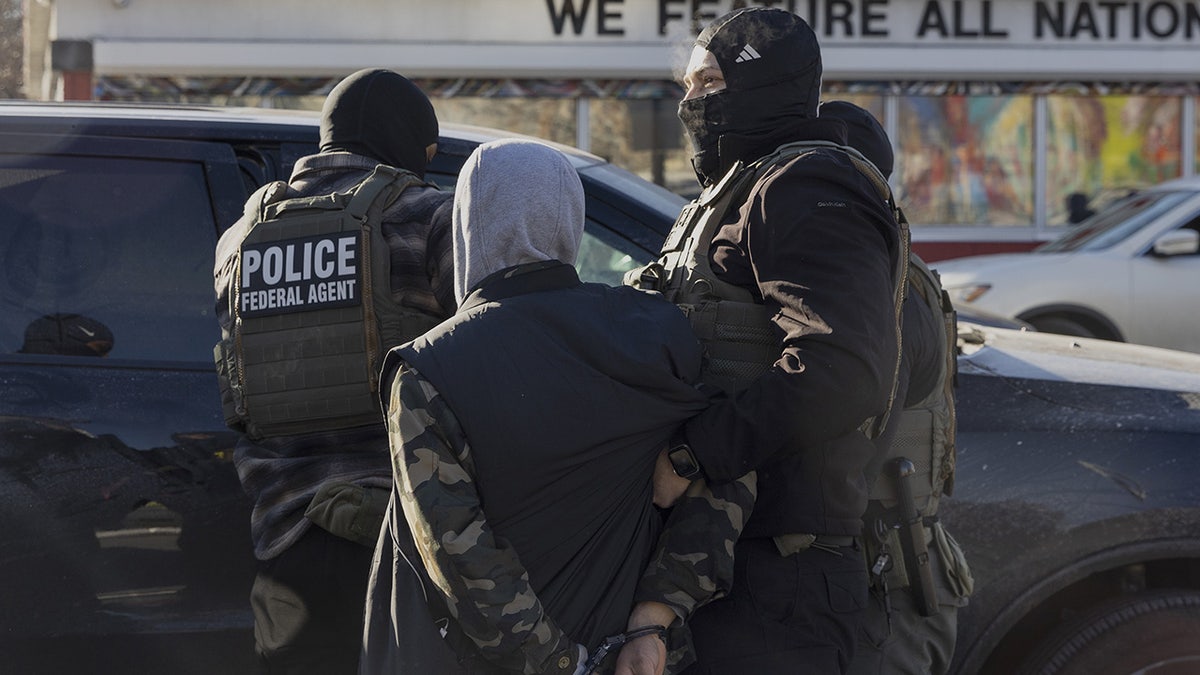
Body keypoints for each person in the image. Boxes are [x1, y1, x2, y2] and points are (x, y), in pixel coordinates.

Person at [360, 138, 756, 675]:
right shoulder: (658, 331)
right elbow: (728, 464)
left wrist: (564, 662)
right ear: (570, 217)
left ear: (469, 227)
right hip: (637, 658)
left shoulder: (428, 369)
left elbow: (457, 553)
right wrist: (655, 618)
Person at [624, 8, 905, 673]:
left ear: (764, 85)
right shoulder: (743, 188)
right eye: (688, 85)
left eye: (710, 82)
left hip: (780, 577)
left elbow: (842, 366)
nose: (691, 102)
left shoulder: (803, 184)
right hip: (719, 565)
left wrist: (692, 454)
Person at [212, 68, 454, 675]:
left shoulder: (240, 238)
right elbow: (481, 357)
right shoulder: (430, 216)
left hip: (284, 541)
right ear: (407, 141)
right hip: (404, 539)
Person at [818, 100, 975, 675]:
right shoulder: (877, 274)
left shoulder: (888, 291)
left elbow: (848, 449)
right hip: (877, 580)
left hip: (888, 592)